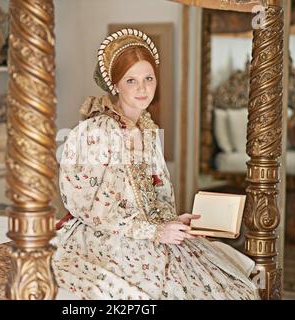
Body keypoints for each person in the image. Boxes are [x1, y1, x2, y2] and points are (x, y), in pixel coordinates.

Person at [51, 28, 259, 300]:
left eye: (148, 78)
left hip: (150, 232)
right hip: (107, 238)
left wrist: (173, 221)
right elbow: (88, 210)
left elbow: (153, 197)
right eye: (131, 80)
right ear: (115, 84)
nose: (142, 88)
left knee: (230, 288)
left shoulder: (148, 129)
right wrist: (155, 231)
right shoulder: (94, 133)